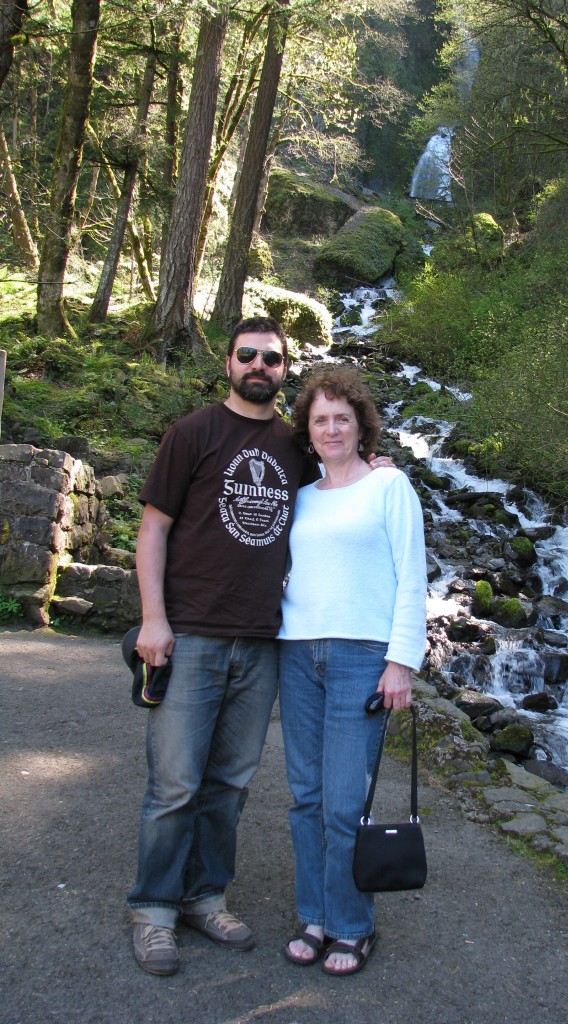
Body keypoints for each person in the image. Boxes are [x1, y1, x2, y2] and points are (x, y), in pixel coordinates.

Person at [127, 315, 317, 976]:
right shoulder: (193, 433)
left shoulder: (299, 447)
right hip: (192, 634)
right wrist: (154, 619)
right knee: (175, 783)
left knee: (230, 784)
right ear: (229, 362)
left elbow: (344, 481)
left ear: (285, 368)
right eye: (249, 355)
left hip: (263, 640)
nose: (260, 365)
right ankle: (154, 909)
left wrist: (375, 457)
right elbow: (153, 530)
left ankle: (205, 897)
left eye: (273, 357)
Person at [278, 365, 427, 977]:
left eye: (342, 418)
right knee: (305, 797)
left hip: (361, 658)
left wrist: (401, 663)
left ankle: (350, 925)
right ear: (307, 431)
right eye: (320, 420)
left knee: (343, 801)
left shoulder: (390, 488)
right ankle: (312, 915)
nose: (331, 428)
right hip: (296, 653)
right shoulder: (302, 495)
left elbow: (412, 575)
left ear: (360, 424)